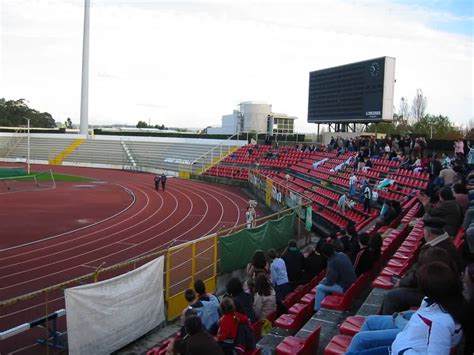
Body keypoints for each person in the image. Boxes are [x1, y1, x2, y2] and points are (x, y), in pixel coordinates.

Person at [314, 242, 356, 312]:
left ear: (325, 255)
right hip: (350, 283)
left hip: (345, 287)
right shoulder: (342, 254)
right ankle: (322, 306)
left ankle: (318, 310)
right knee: (323, 283)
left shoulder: (332, 262)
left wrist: (322, 282)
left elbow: (330, 282)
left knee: (319, 288)